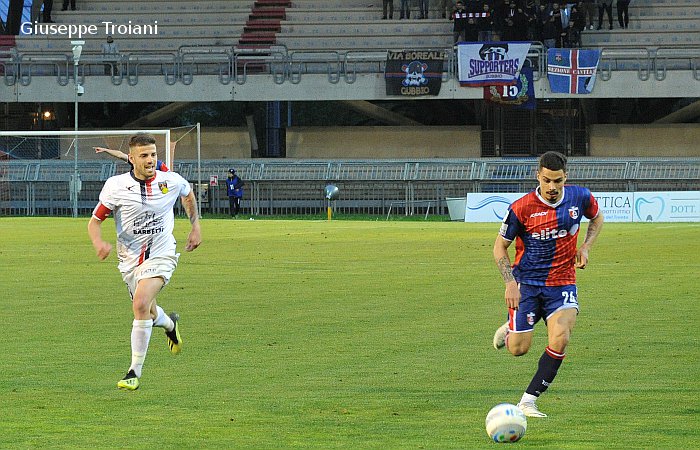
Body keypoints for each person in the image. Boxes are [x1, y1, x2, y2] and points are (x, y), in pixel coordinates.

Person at [492, 151, 604, 418]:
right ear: (537, 177)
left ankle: (528, 401)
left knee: (562, 337)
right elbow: (499, 247)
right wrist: (509, 284)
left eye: (558, 181)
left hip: (562, 281)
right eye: (547, 181)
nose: (552, 187)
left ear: (566, 177)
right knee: (519, 350)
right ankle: (511, 329)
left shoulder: (581, 197)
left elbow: (597, 218)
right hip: (526, 283)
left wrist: (586, 247)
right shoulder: (521, 207)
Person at [88, 133, 202, 391]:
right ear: (132, 159)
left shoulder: (169, 180)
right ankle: (170, 324)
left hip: (162, 253)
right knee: (147, 310)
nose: (150, 160)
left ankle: (133, 372)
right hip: (129, 260)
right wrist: (98, 243)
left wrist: (195, 226)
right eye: (144, 155)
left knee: (140, 303)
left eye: (153, 154)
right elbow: (95, 221)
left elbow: (188, 194)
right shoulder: (115, 186)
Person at [94, 140, 176, 171]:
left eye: (153, 154)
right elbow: (120, 155)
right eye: (144, 155)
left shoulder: (160, 165)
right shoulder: (135, 162)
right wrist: (105, 150)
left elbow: (170, 177)